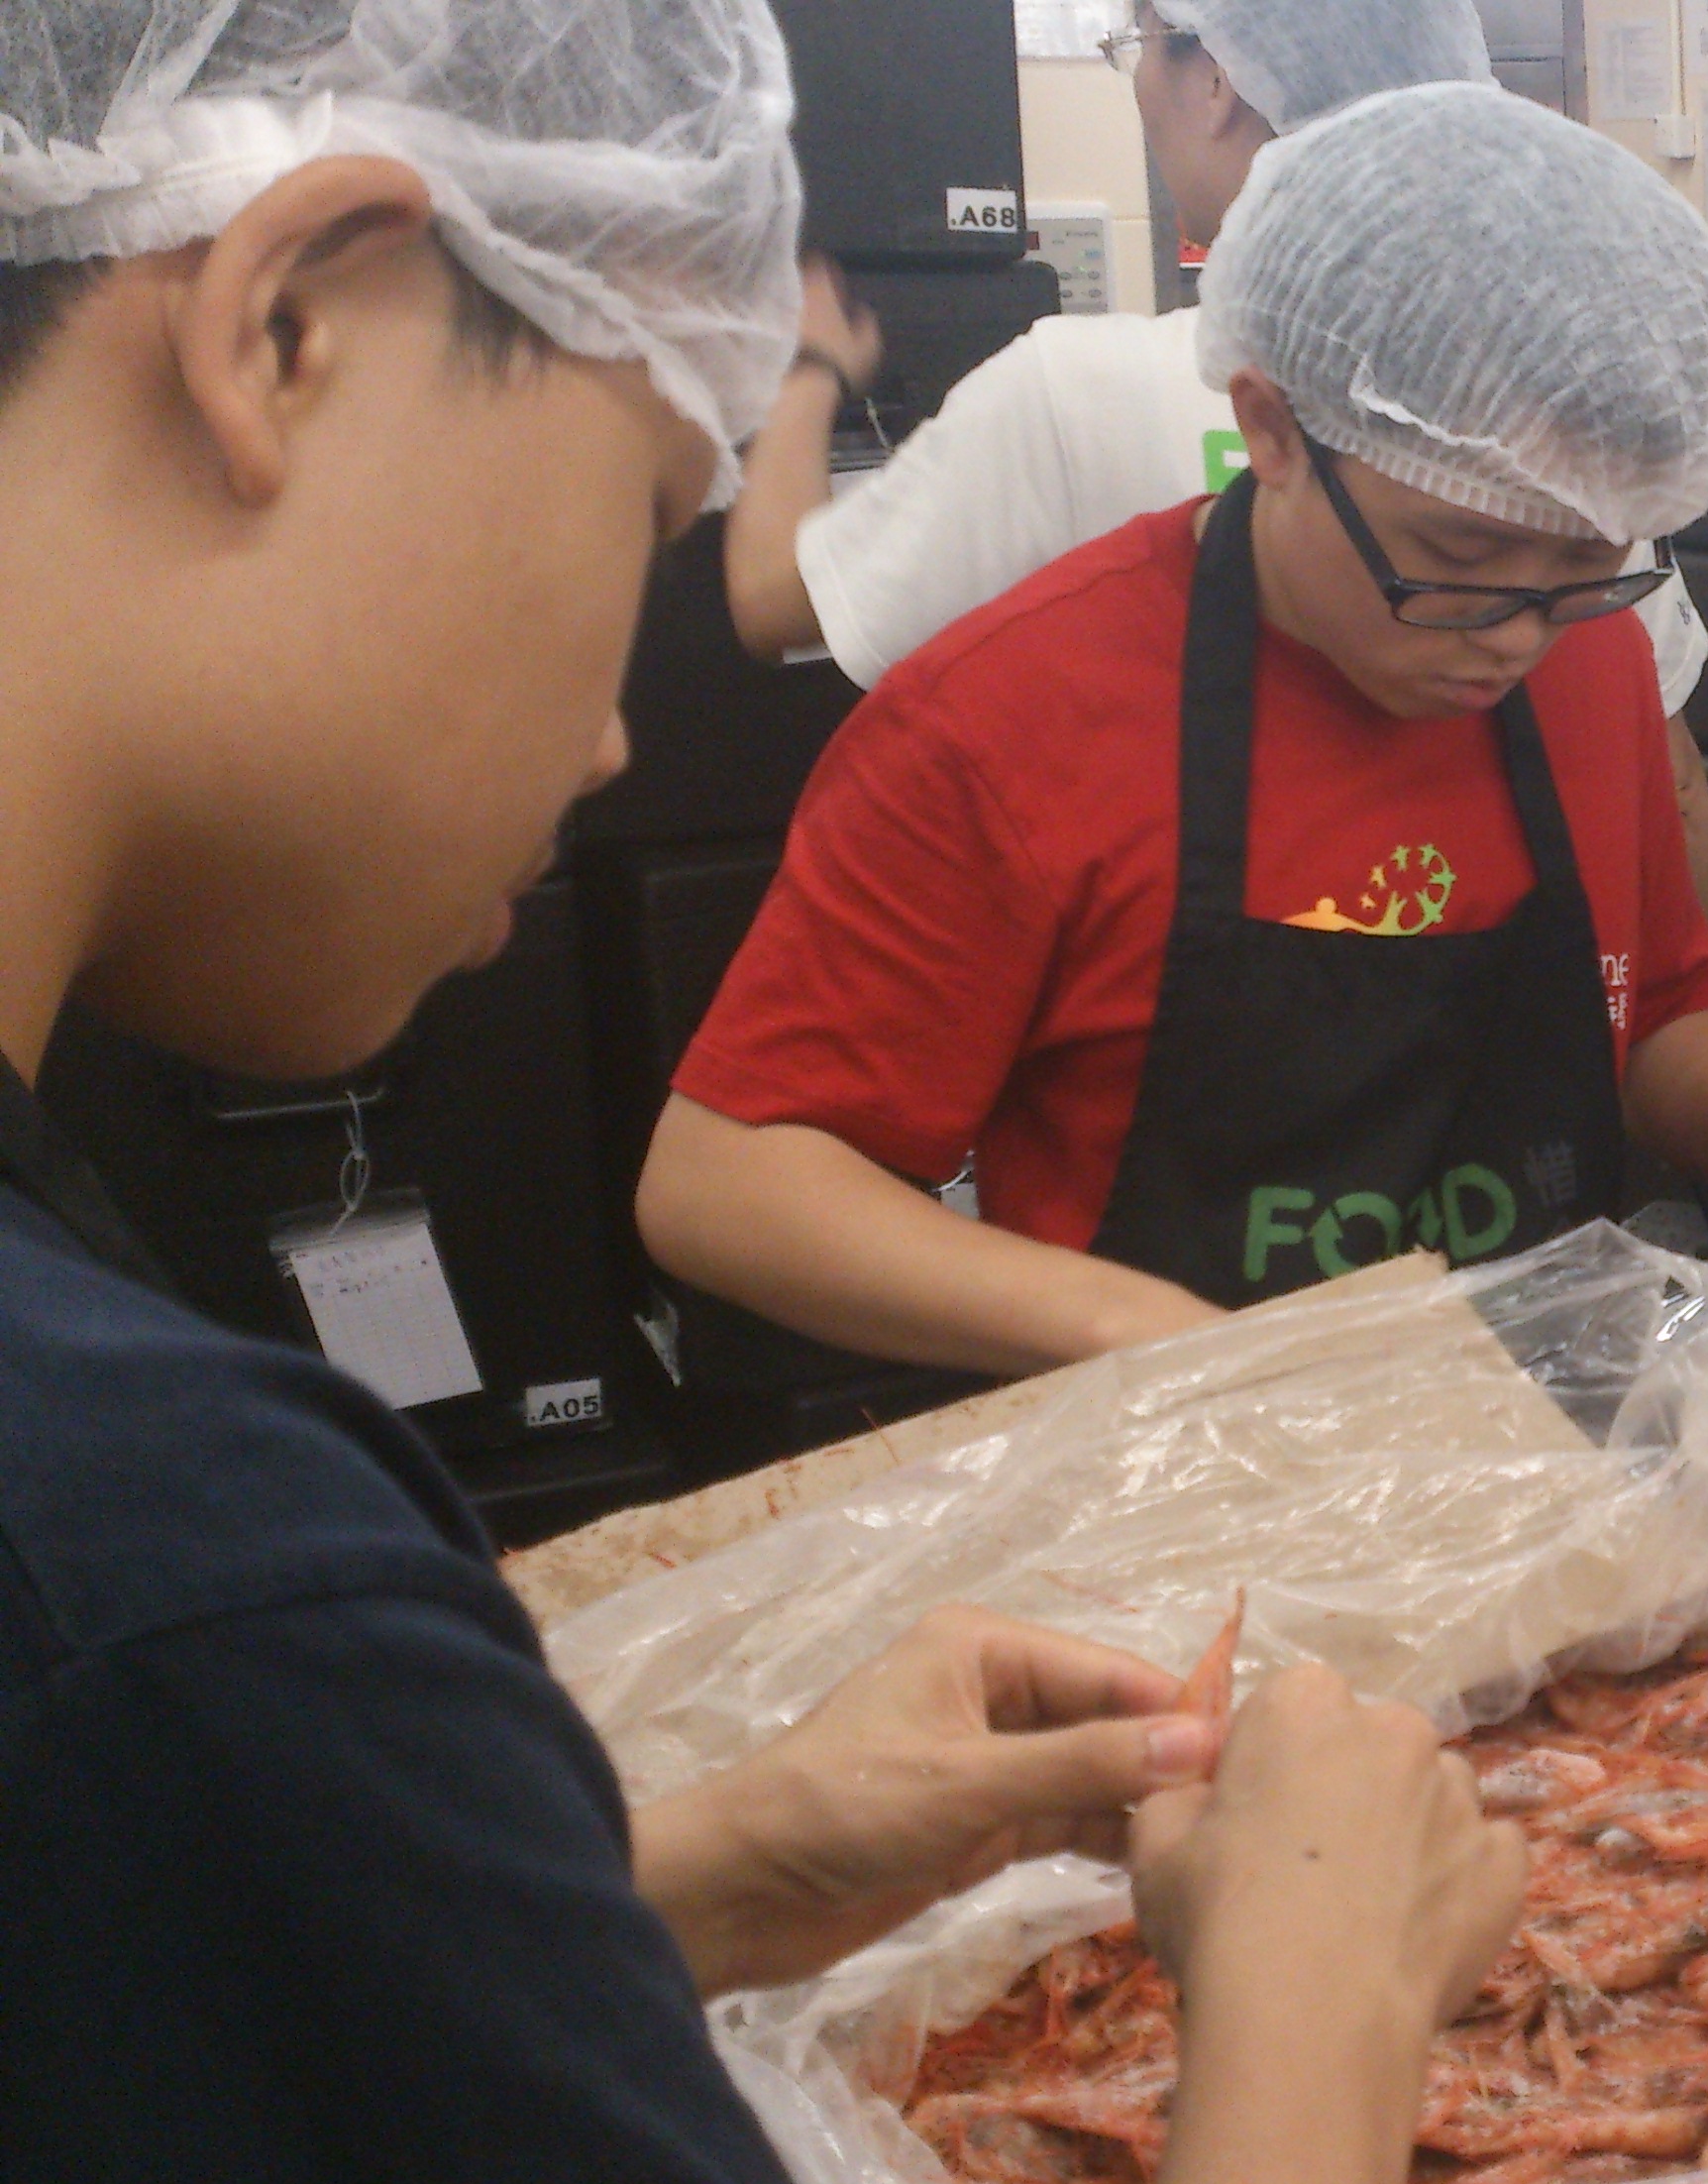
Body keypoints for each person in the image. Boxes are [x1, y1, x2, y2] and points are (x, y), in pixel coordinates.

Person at [0, 5, 1521, 2178]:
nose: (618, 742)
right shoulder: (172, 1568)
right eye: (640, 511)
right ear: (287, 328)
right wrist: (1313, 2021)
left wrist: (704, 1868)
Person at [640, 85, 1708, 1377]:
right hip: (1178, 1485)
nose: (1519, 633)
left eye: (1583, 561)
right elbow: (726, 1181)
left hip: (1548, 1452)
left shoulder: (1593, 664)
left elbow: (1661, 1009)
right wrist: (1145, 1337)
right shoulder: (1008, 717)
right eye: (1457, 551)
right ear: (1271, 428)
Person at [721, 0, 1708, 947]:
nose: (1513, 623)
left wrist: (803, 372)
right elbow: (1676, 788)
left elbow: (775, 600)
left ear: (1211, 72)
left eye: (1134, 47)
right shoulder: (1560, 409)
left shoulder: (1071, 392)